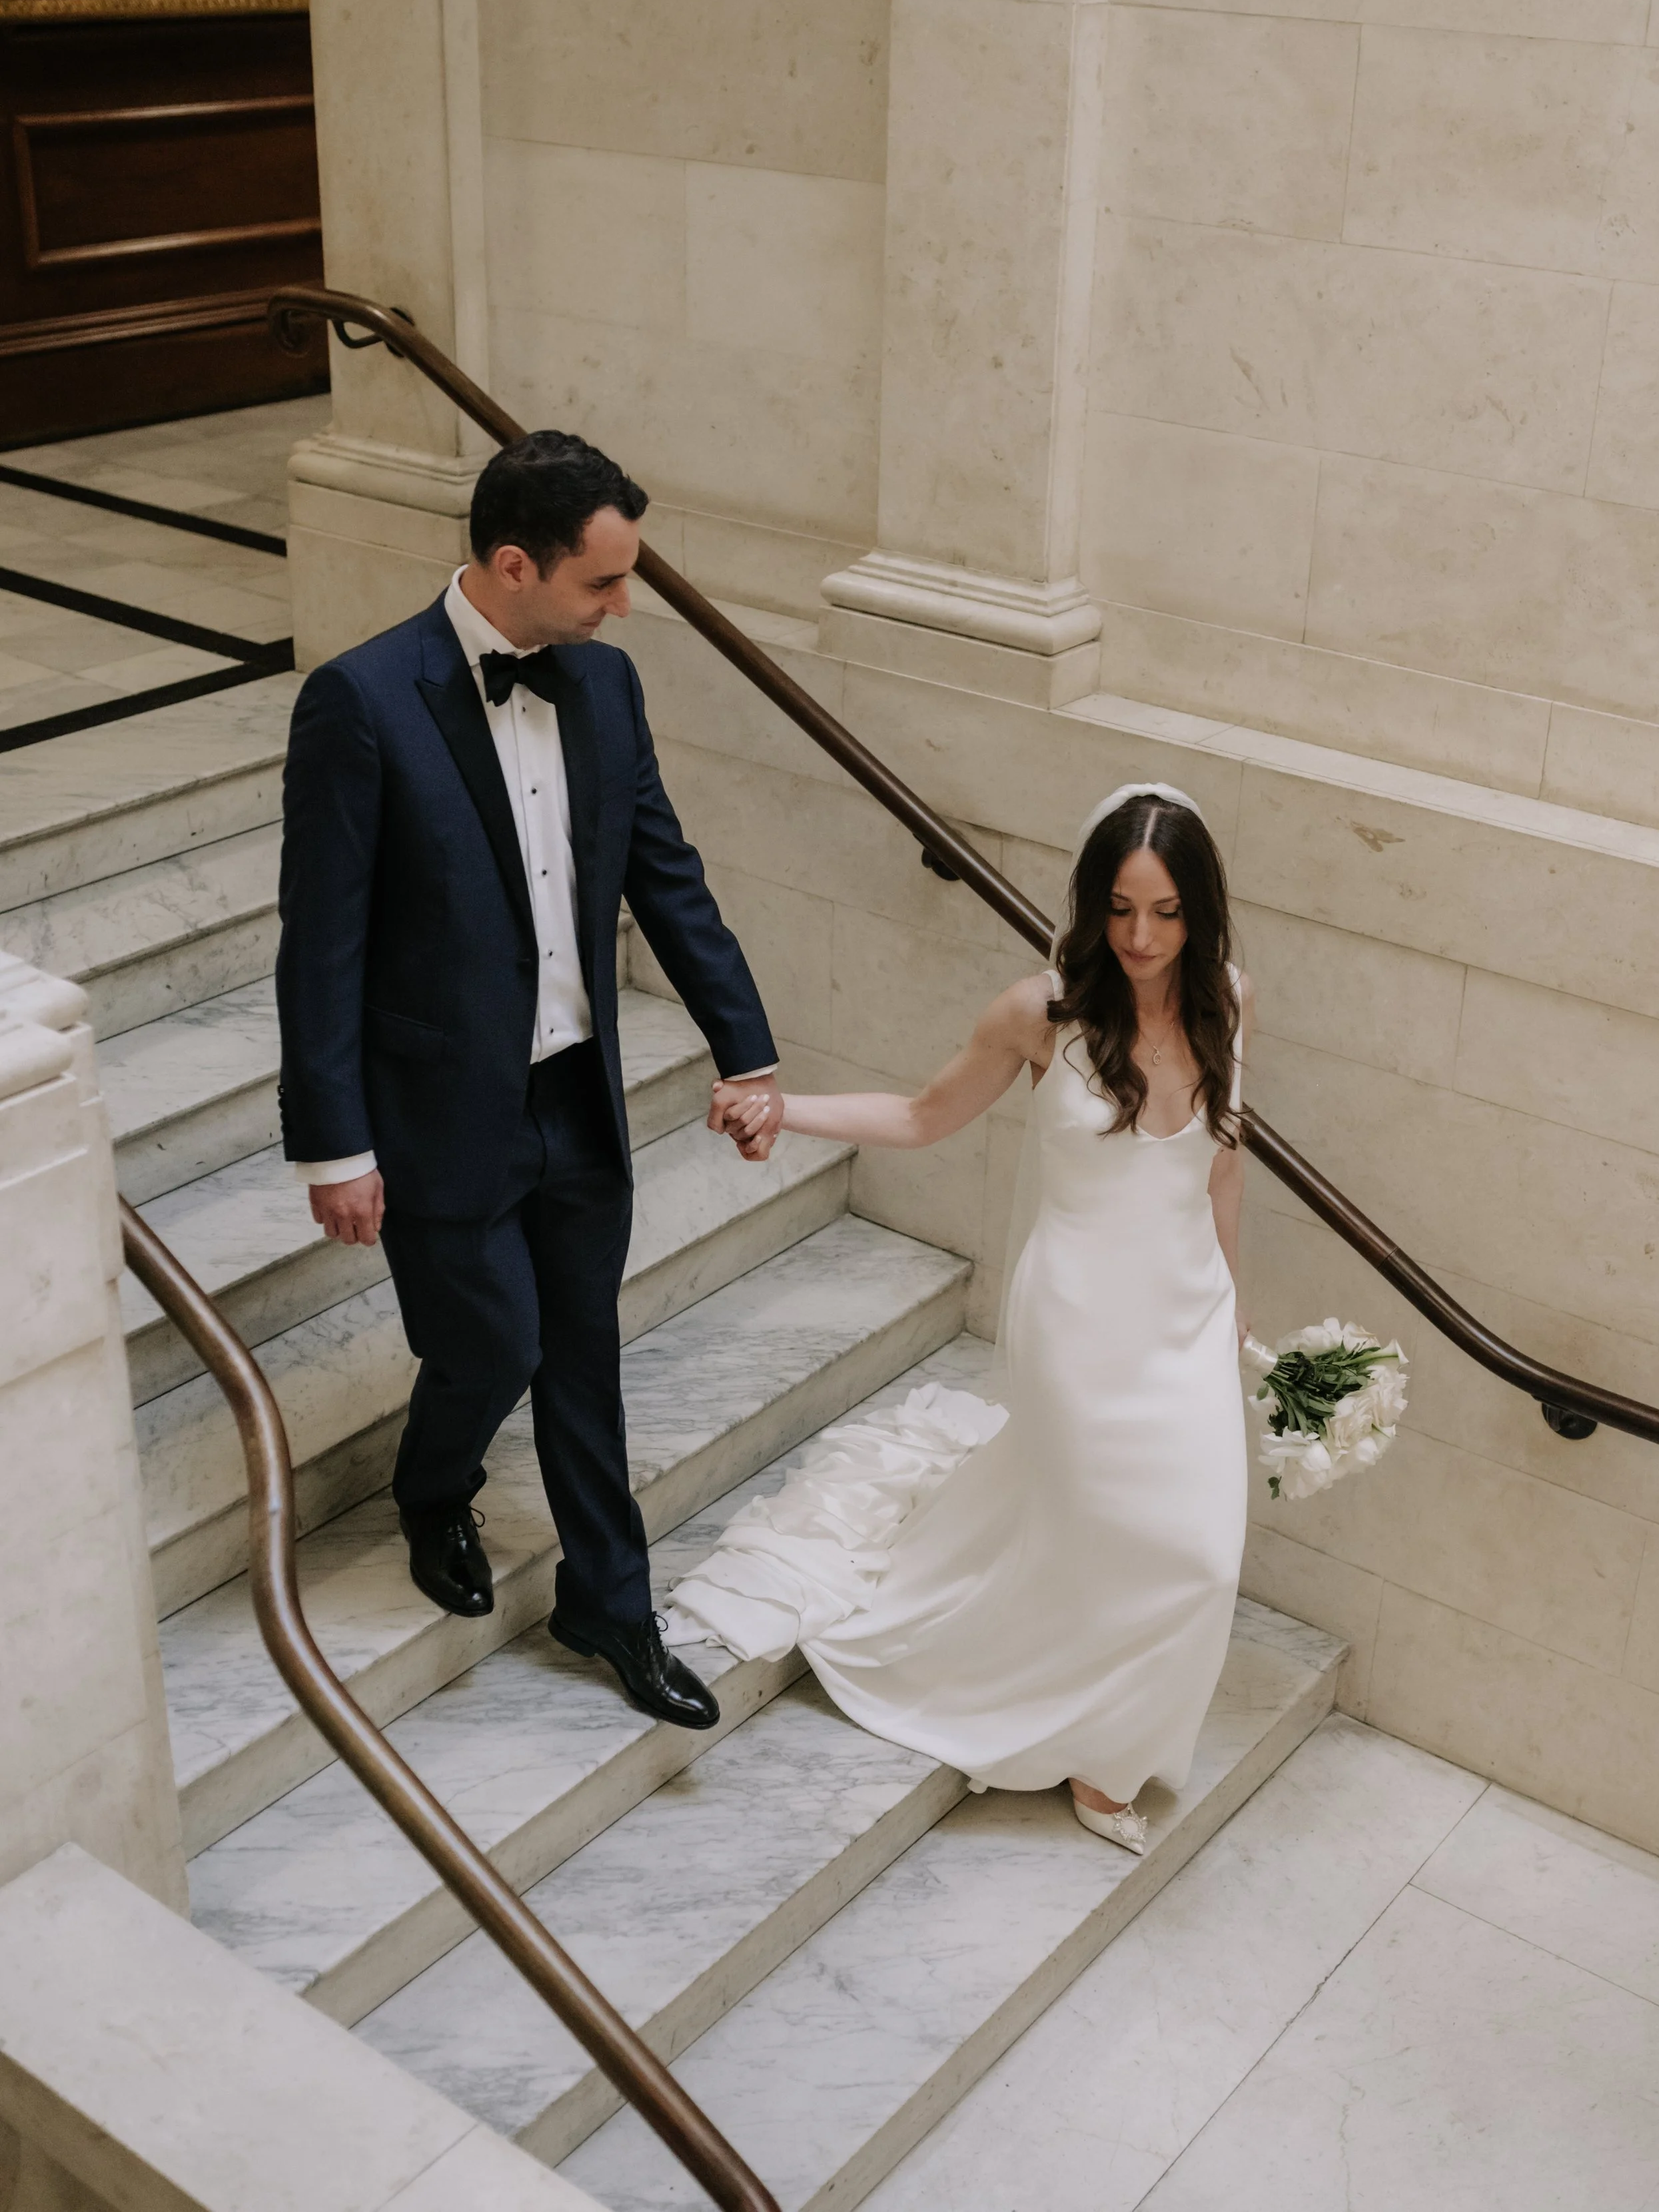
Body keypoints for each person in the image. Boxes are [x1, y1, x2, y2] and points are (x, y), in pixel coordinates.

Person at [276, 431, 781, 1733]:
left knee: (584, 1354)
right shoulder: (361, 701)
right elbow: (320, 940)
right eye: (600, 585)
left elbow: (666, 874)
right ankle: (430, 1482)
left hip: (574, 1097)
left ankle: (609, 1601)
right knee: (490, 1340)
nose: (620, 610)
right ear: (514, 565)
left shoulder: (603, 693)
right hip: (442, 1109)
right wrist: (333, 1146)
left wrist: (745, 1045)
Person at [685, 784, 1253, 1848]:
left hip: (1187, 1318)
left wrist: (1232, 1327)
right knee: (1106, 1533)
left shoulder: (1229, 997)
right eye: (1121, 908)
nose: (1140, 937)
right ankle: (1087, 1750)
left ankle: (1115, 1738)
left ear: (1201, 912)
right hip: (1078, 1323)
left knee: (1204, 1557)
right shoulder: (1041, 1014)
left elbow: (1224, 1174)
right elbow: (919, 1113)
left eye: (1166, 911)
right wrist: (782, 1106)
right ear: (1090, 904)